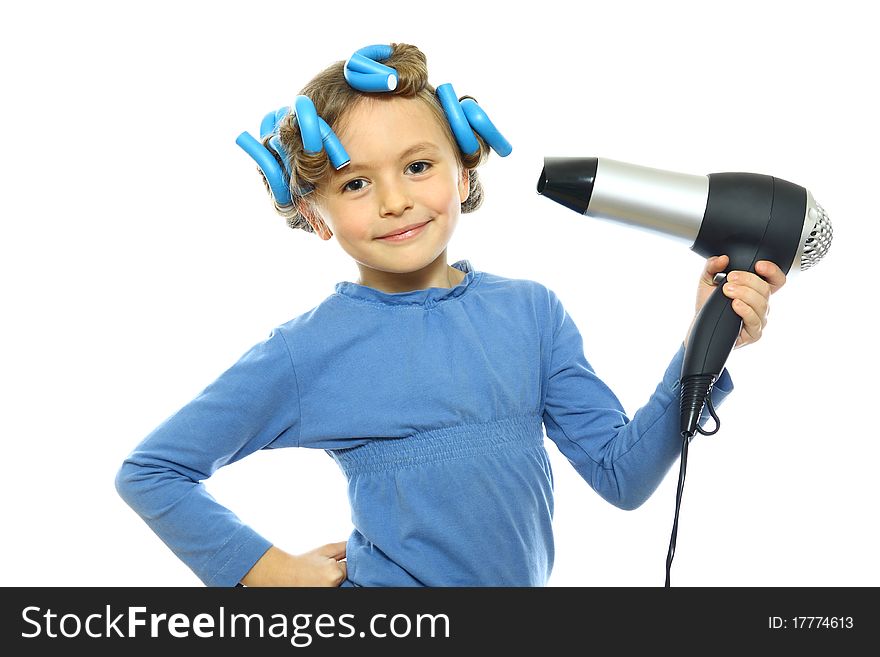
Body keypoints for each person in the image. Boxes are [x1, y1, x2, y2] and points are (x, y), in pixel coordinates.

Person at [115, 43, 787, 587]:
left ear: (463, 172)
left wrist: (708, 340)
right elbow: (151, 471)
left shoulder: (531, 314)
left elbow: (623, 474)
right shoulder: (308, 350)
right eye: (355, 183)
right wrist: (268, 573)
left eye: (417, 165)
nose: (393, 200)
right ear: (315, 212)